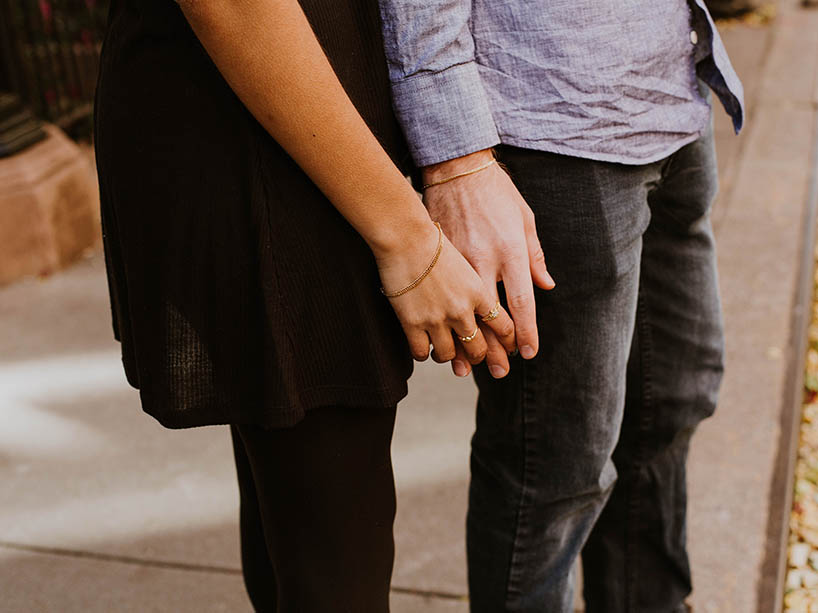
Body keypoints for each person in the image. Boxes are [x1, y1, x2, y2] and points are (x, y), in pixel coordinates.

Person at [93, 0, 543, 610]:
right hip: (278, 144)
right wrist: (408, 240)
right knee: (331, 569)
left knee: (297, 529)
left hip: (298, 123)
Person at [377, 0, 744, 611]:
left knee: (673, 400)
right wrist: (456, 162)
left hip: (675, 93)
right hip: (551, 124)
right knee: (555, 466)